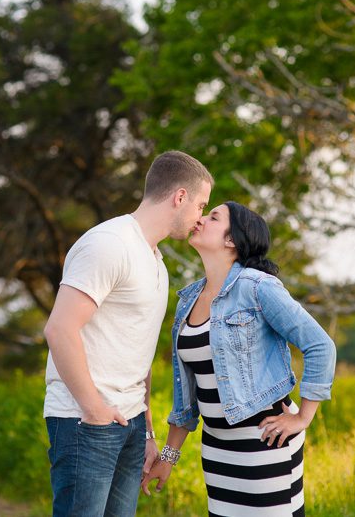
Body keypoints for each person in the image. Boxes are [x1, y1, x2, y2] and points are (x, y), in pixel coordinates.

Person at [42, 150, 213, 517]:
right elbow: (59, 329)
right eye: (201, 205)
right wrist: (94, 409)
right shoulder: (109, 243)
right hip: (84, 421)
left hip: (131, 423)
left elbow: (138, 354)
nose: (200, 217)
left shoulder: (156, 263)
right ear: (179, 197)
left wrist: (147, 431)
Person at [141, 201, 337, 516]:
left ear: (232, 240)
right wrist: (168, 456)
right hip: (217, 447)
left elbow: (320, 345)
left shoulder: (257, 287)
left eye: (213, 216)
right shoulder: (188, 301)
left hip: (264, 440)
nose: (201, 218)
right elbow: (187, 396)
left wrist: (303, 418)